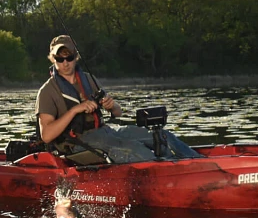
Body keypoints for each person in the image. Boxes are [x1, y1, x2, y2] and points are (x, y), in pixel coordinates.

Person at [35, 35, 201, 163]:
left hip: (106, 132)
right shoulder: (47, 91)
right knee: (135, 148)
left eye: (69, 57)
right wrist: (74, 110)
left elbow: (118, 112)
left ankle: (199, 164)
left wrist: (111, 105)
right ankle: (169, 171)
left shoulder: (88, 79)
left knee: (161, 136)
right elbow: (47, 136)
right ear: (52, 58)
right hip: (78, 143)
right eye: (59, 58)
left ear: (76, 57)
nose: (65, 63)